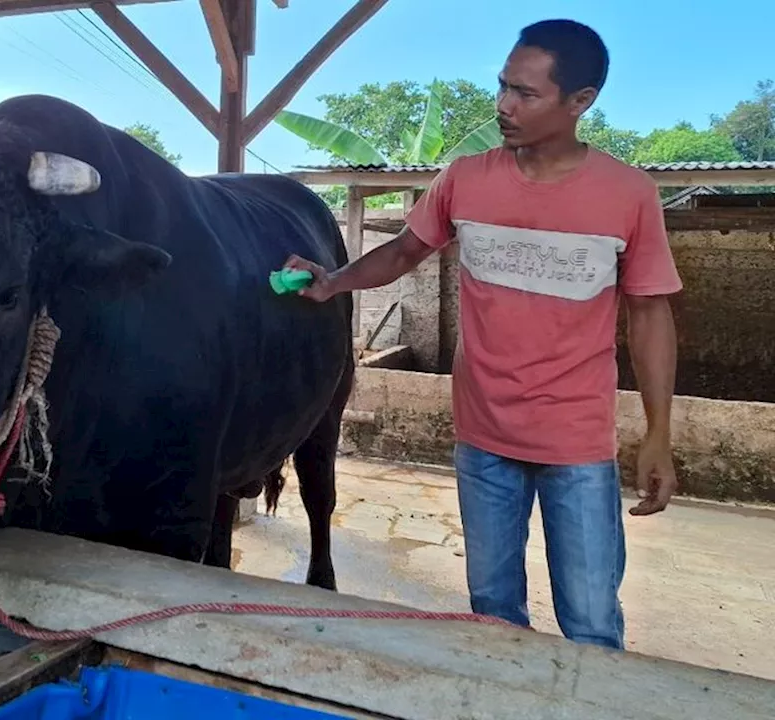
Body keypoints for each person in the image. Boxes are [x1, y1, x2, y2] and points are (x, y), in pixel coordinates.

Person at [284, 18, 681, 650]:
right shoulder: (464, 178)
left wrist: (659, 434)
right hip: (483, 437)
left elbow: (651, 315)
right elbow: (404, 253)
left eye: (526, 93)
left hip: (577, 444)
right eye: (502, 86)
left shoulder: (628, 194)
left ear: (581, 101)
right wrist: (331, 282)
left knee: (591, 622)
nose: (503, 105)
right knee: (492, 612)